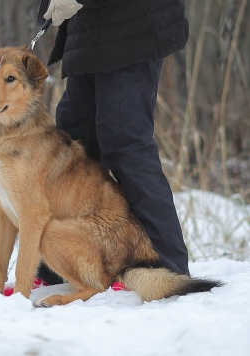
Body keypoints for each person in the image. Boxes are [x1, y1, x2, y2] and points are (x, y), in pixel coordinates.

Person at [35, 0, 190, 286]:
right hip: (89, 30)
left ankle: (167, 266)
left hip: (133, 24)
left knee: (124, 139)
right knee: (73, 140)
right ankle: (63, 265)